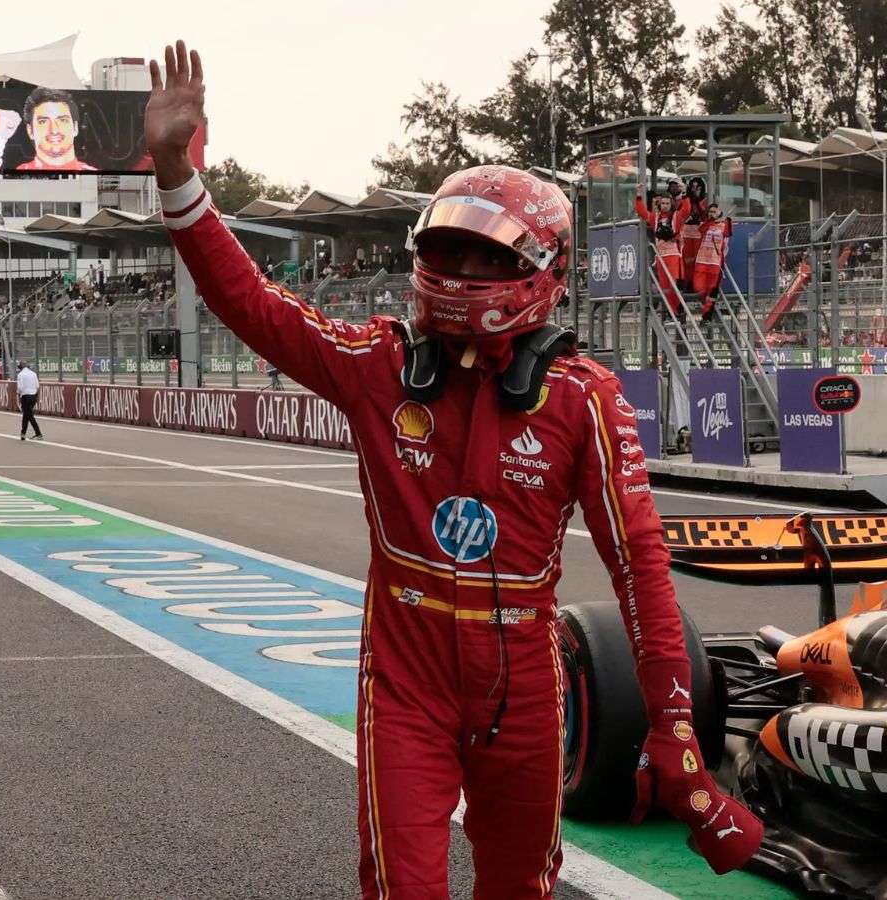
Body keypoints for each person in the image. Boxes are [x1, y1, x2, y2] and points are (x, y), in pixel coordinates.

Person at [144, 41, 763, 900]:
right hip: (408, 685)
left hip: (528, 689)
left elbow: (642, 575)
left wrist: (675, 728)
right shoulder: (377, 363)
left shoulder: (585, 400)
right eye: (449, 252)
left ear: (542, 268)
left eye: (488, 257)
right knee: (404, 886)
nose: (462, 274)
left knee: (520, 888)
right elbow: (248, 300)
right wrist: (176, 169)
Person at [0, 87, 97, 172]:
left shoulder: (92, 174)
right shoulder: (18, 174)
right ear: (30, 131)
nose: (54, 129)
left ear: (75, 128)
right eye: (43, 121)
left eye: (62, 120)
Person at [634, 191, 689, 313]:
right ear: (659, 204)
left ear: (671, 204)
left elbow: (686, 209)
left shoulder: (676, 216)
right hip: (660, 256)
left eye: (667, 203)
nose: (665, 205)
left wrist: (684, 194)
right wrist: (638, 196)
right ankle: (670, 311)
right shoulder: (655, 217)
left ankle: (676, 311)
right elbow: (642, 212)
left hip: (673, 255)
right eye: (663, 203)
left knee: (673, 284)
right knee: (664, 287)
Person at [695, 204, 733, 323]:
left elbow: (728, 233)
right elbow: (701, 230)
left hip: (715, 262)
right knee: (698, 287)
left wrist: (728, 220)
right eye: (710, 211)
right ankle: (706, 307)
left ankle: (706, 316)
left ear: (719, 213)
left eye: (714, 212)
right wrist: (710, 220)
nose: (712, 214)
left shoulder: (723, 226)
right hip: (701, 261)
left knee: (712, 291)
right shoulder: (704, 224)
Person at [679, 177, 709, 284]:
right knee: (687, 258)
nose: (695, 190)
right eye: (693, 187)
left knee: (698, 258)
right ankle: (688, 281)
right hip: (687, 230)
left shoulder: (705, 201)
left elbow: (705, 215)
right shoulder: (686, 200)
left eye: (697, 187)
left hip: (699, 231)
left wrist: (697, 201)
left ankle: (697, 282)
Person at [16, 361, 43, 441]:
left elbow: (20, 388)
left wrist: (18, 395)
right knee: (27, 415)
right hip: (33, 396)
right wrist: (37, 397)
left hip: (25, 396)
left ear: (20, 367)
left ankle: (38, 433)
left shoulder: (20, 375)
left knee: (29, 415)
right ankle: (23, 434)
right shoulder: (33, 374)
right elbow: (37, 386)